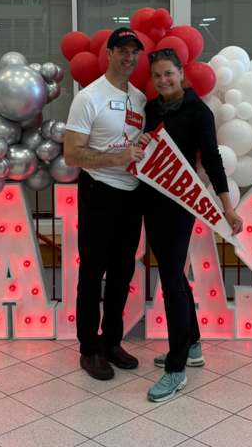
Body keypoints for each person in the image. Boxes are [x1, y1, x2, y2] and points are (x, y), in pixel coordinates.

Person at [140, 48, 244, 402]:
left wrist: (227, 208)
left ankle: (176, 367)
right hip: (151, 202)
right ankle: (193, 346)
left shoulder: (199, 111)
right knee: (173, 274)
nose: (163, 80)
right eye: (157, 76)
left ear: (181, 73)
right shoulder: (151, 109)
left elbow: (212, 160)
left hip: (180, 206)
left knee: (170, 280)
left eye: (169, 74)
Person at [63, 27, 147, 381]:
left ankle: (112, 341)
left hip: (132, 196)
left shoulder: (140, 98)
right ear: (109, 53)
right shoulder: (89, 97)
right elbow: (72, 153)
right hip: (99, 192)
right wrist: (116, 158)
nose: (128, 58)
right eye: (122, 51)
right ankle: (89, 348)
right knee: (93, 272)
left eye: (134, 52)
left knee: (122, 272)